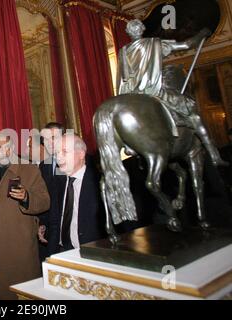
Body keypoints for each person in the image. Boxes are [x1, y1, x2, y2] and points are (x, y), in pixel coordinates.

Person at [118, 19, 227, 166]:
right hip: (153, 91)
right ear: (142, 30)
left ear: (127, 32)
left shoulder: (123, 51)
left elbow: (124, 76)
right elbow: (187, 45)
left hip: (131, 94)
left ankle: (128, 144)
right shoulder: (155, 44)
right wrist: (202, 33)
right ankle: (214, 155)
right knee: (193, 113)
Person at [0, 134, 50, 299]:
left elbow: (44, 201)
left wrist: (26, 197)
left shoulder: (29, 169)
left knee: (21, 294)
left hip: (19, 247)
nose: (5, 151)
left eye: (8, 146)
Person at [48, 133, 105, 253]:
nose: (59, 157)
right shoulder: (59, 181)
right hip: (62, 252)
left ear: (81, 154)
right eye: (57, 153)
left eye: (64, 152)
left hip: (93, 254)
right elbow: (55, 220)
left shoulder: (99, 183)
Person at [37, 122, 66, 261]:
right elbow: (46, 198)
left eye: (53, 138)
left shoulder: (77, 161)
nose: (49, 142)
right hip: (52, 232)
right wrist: (42, 223)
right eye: (46, 139)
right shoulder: (44, 166)